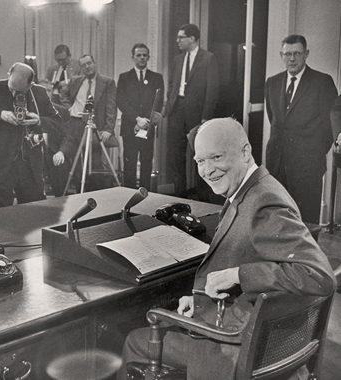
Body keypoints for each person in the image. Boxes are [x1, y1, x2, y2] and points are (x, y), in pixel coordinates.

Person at [117, 117, 337, 380]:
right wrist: (200, 299)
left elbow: (319, 275)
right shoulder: (251, 190)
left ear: (245, 152)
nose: (207, 170)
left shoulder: (264, 201)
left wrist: (236, 275)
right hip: (250, 330)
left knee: (134, 339)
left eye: (216, 157)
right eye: (200, 161)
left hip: (236, 349)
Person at [265, 35, 338, 225]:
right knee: (279, 219)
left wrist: (313, 151)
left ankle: (306, 256)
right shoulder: (272, 83)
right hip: (277, 165)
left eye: (297, 53)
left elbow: (330, 126)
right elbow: (274, 119)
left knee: (306, 222)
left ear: (306, 54)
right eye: (287, 54)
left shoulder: (322, 82)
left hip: (308, 166)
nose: (292, 58)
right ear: (281, 55)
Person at [0, 62, 61, 208]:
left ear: (30, 85)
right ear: (8, 75)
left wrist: (39, 120)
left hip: (29, 168)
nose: (15, 94)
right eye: (12, 89)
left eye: (20, 91)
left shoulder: (38, 93)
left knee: (33, 214)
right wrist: (0, 114)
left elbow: (57, 122)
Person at [164, 24, 219, 198]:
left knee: (201, 156)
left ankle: (203, 196)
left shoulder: (209, 59)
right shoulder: (177, 59)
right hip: (176, 112)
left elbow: (213, 90)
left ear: (192, 39)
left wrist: (205, 118)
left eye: (181, 37)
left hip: (197, 114)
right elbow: (172, 84)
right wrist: (170, 104)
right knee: (176, 156)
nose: (177, 40)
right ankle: (179, 195)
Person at [59, 54, 117, 191]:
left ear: (94, 63)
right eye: (83, 65)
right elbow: (63, 94)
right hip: (76, 125)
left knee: (95, 163)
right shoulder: (75, 81)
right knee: (78, 163)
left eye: (89, 63)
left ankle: (97, 196)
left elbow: (111, 107)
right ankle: (81, 194)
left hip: (96, 126)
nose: (87, 67)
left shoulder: (107, 82)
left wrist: (108, 129)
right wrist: (69, 108)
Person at [116, 43, 164, 190]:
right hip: (130, 126)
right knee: (129, 162)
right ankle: (128, 194)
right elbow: (121, 101)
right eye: (138, 55)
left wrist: (147, 122)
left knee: (146, 162)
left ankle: (145, 195)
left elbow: (159, 102)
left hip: (148, 127)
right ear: (133, 57)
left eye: (144, 55)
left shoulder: (156, 78)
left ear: (148, 57)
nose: (142, 58)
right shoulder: (124, 78)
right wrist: (137, 119)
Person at [38, 78, 77, 196]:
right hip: (33, 153)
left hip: (53, 151)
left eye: (49, 91)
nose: (46, 94)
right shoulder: (27, 110)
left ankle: (60, 201)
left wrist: (61, 152)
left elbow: (68, 136)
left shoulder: (61, 111)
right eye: (42, 91)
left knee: (60, 164)